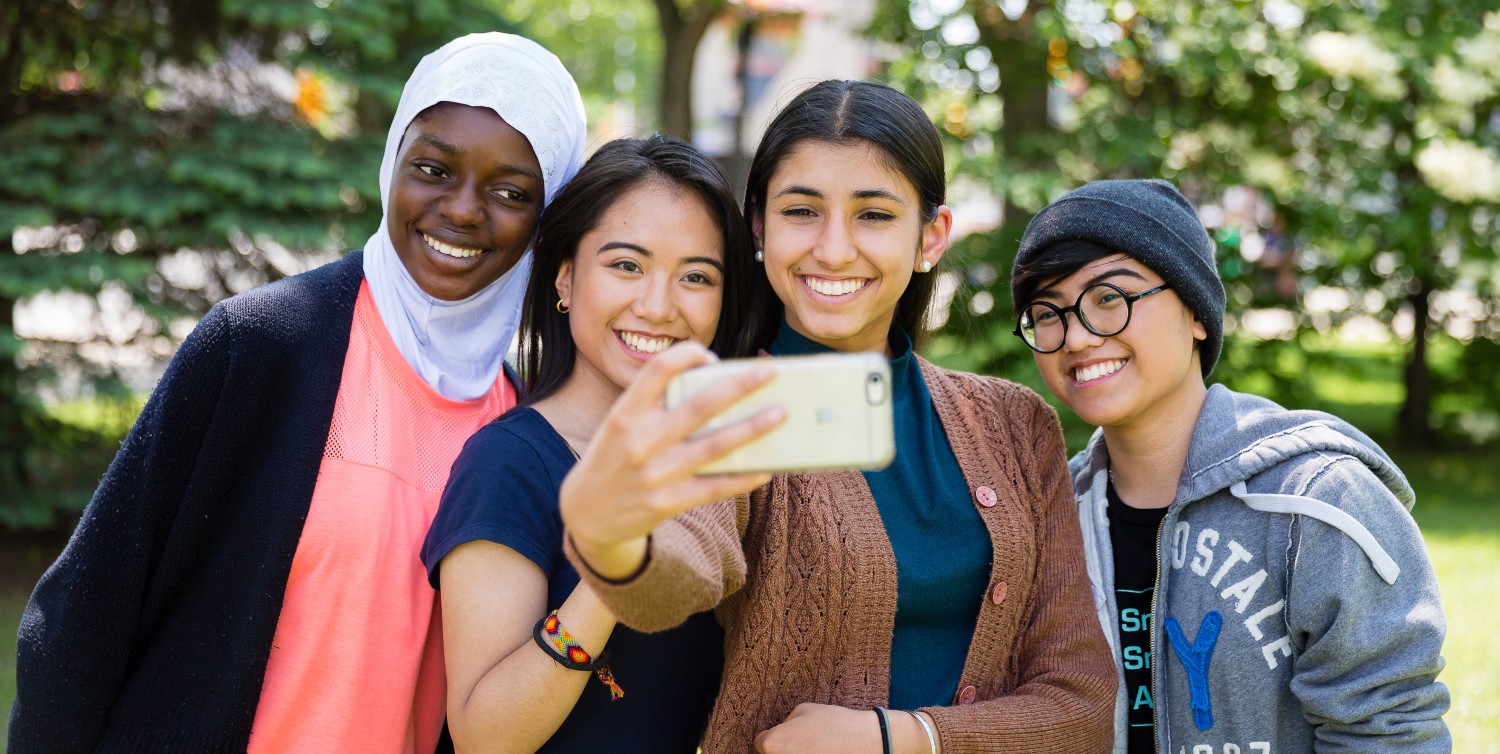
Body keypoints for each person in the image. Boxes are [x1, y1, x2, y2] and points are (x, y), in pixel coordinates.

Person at [8, 33, 587, 754]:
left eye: (510, 191)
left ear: (549, 214)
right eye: (433, 168)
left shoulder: (525, 428)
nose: (463, 210)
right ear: (393, 167)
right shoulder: (263, 346)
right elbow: (82, 615)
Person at [557, 80, 1117, 754]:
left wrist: (902, 737)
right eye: (802, 211)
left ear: (931, 237)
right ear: (759, 226)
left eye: (874, 215)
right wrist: (610, 538)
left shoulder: (1016, 423)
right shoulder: (733, 406)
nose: (832, 249)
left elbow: (1082, 703)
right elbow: (674, 576)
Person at [1007, 179, 1451, 753]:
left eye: (1109, 300)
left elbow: (1388, 733)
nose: (1076, 337)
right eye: (1048, 312)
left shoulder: (1317, 502)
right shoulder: (1052, 520)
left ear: (1196, 312)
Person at [420, 134, 773, 753]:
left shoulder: (722, 466)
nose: (658, 306)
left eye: (696, 276)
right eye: (626, 265)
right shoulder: (509, 464)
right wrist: (615, 562)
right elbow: (484, 738)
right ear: (565, 278)